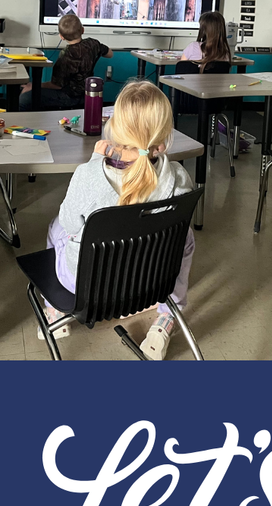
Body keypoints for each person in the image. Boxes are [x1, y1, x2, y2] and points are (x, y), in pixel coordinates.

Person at [44, 80, 194, 360]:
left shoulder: (88, 176)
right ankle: (167, 316)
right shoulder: (179, 179)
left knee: (56, 226)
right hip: (151, 281)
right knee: (184, 239)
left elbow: (69, 223)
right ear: (162, 141)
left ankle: (54, 310)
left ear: (113, 126)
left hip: (87, 287)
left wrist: (93, 162)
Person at [21, 13, 112, 111]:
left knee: (24, 98)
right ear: (82, 30)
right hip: (85, 93)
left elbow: (56, 85)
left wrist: (34, 85)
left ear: (61, 36)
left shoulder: (65, 55)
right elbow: (110, 54)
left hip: (69, 97)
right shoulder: (93, 43)